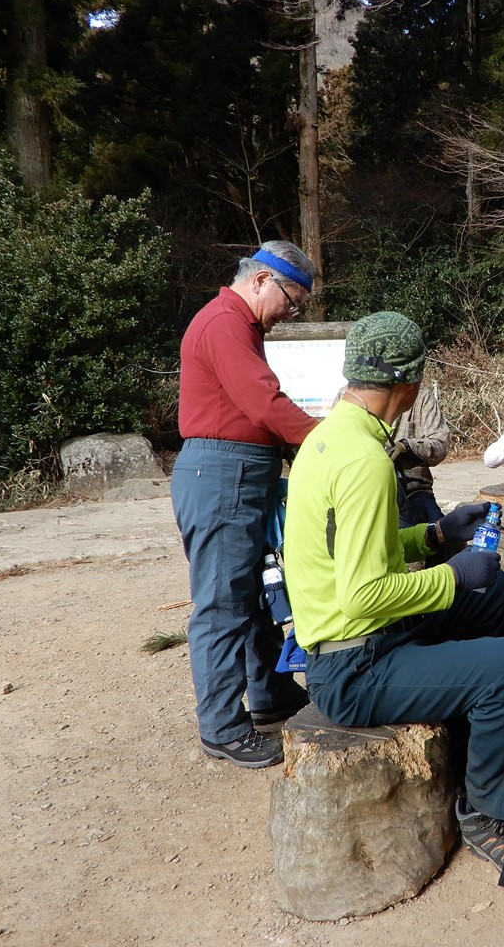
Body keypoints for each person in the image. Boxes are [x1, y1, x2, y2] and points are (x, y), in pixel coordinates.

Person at [284, 311, 504, 885]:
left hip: (357, 641)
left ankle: (480, 735)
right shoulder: (363, 462)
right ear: (408, 386)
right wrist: (453, 574)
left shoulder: (330, 437)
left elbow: (355, 550)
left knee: (493, 591)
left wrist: (436, 536)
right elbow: (363, 597)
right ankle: (490, 815)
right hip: (352, 667)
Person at [169, 240, 318, 769]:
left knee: (254, 593)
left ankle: (269, 695)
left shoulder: (239, 323)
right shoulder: (225, 322)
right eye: (292, 300)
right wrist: (325, 439)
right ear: (261, 281)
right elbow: (262, 399)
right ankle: (223, 729)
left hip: (236, 472)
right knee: (223, 602)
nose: (291, 312)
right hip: (222, 473)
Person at [389, 384, 450, 527]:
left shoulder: (421, 396)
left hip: (413, 489)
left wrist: (408, 446)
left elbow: (441, 444)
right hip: (369, 488)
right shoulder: (350, 395)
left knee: (444, 537)